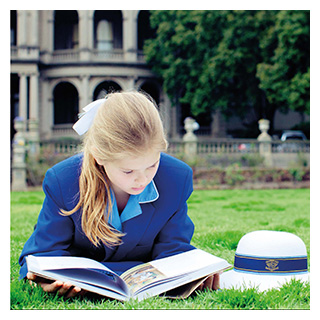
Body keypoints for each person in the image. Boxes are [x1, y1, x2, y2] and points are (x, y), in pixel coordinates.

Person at [19, 91, 219, 298]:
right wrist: (46, 280)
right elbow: (41, 253)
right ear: (98, 156)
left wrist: (193, 274)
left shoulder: (176, 178)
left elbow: (174, 249)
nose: (142, 179)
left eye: (152, 165)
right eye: (128, 171)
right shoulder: (63, 180)